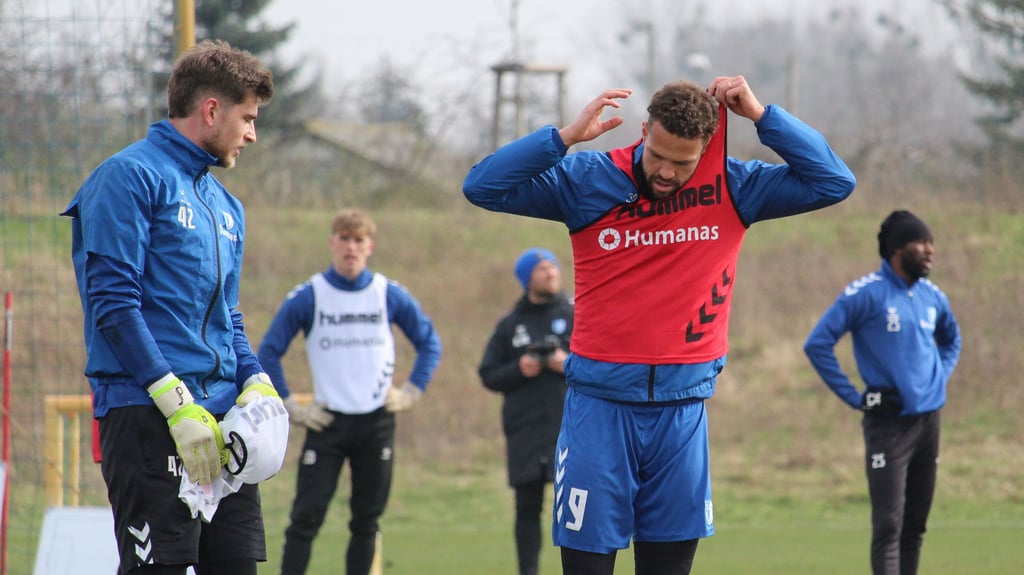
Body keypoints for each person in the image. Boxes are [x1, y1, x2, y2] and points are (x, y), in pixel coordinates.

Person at [463, 77, 857, 575]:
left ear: (707, 149)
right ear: (644, 130)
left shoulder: (736, 188)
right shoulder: (587, 180)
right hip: (598, 412)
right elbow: (481, 186)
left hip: (681, 417)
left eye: (684, 162)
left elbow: (834, 181)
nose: (667, 172)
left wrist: (761, 117)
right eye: (657, 155)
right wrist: (561, 139)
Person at [61, 40, 278, 575]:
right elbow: (112, 304)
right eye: (247, 119)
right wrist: (173, 398)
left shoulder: (227, 206)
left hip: (221, 424)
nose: (252, 134)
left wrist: (255, 378)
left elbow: (228, 315)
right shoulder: (128, 177)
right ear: (211, 110)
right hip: (147, 414)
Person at [257, 208, 442, 575]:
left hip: (376, 422)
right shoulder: (310, 295)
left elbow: (429, 343)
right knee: (305, 519)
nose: (351, 248)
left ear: (370, 246)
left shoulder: (387, 293)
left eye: (359, 240)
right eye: (344, 239)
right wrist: (291, 404)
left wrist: (411, 391)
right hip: (327, 424)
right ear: (332, 242)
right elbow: (268, 352)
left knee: (366, 522)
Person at [803, 210, 962, 575]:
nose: (929, 251)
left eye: (931, 243)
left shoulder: (933, 296)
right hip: (888, 427)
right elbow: (818, 344)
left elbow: (952, 340)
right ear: (897, 250)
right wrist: (857, 397)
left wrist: (939, 379)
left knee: (915, 527)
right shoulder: (866, 295)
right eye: (921, 243)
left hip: (928, 424)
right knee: (888, 527)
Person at [479, 247, 575, 575]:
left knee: (578, 508)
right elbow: (488, 374)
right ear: (526, 278)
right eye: (542, 268)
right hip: (526, 430)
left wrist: (568, 365)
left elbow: (605, 364)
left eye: (553, 266)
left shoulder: (578, 313)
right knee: (527, 508)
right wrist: (520, 368)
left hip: (571, 427)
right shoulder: (510, 324)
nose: (550, 273)